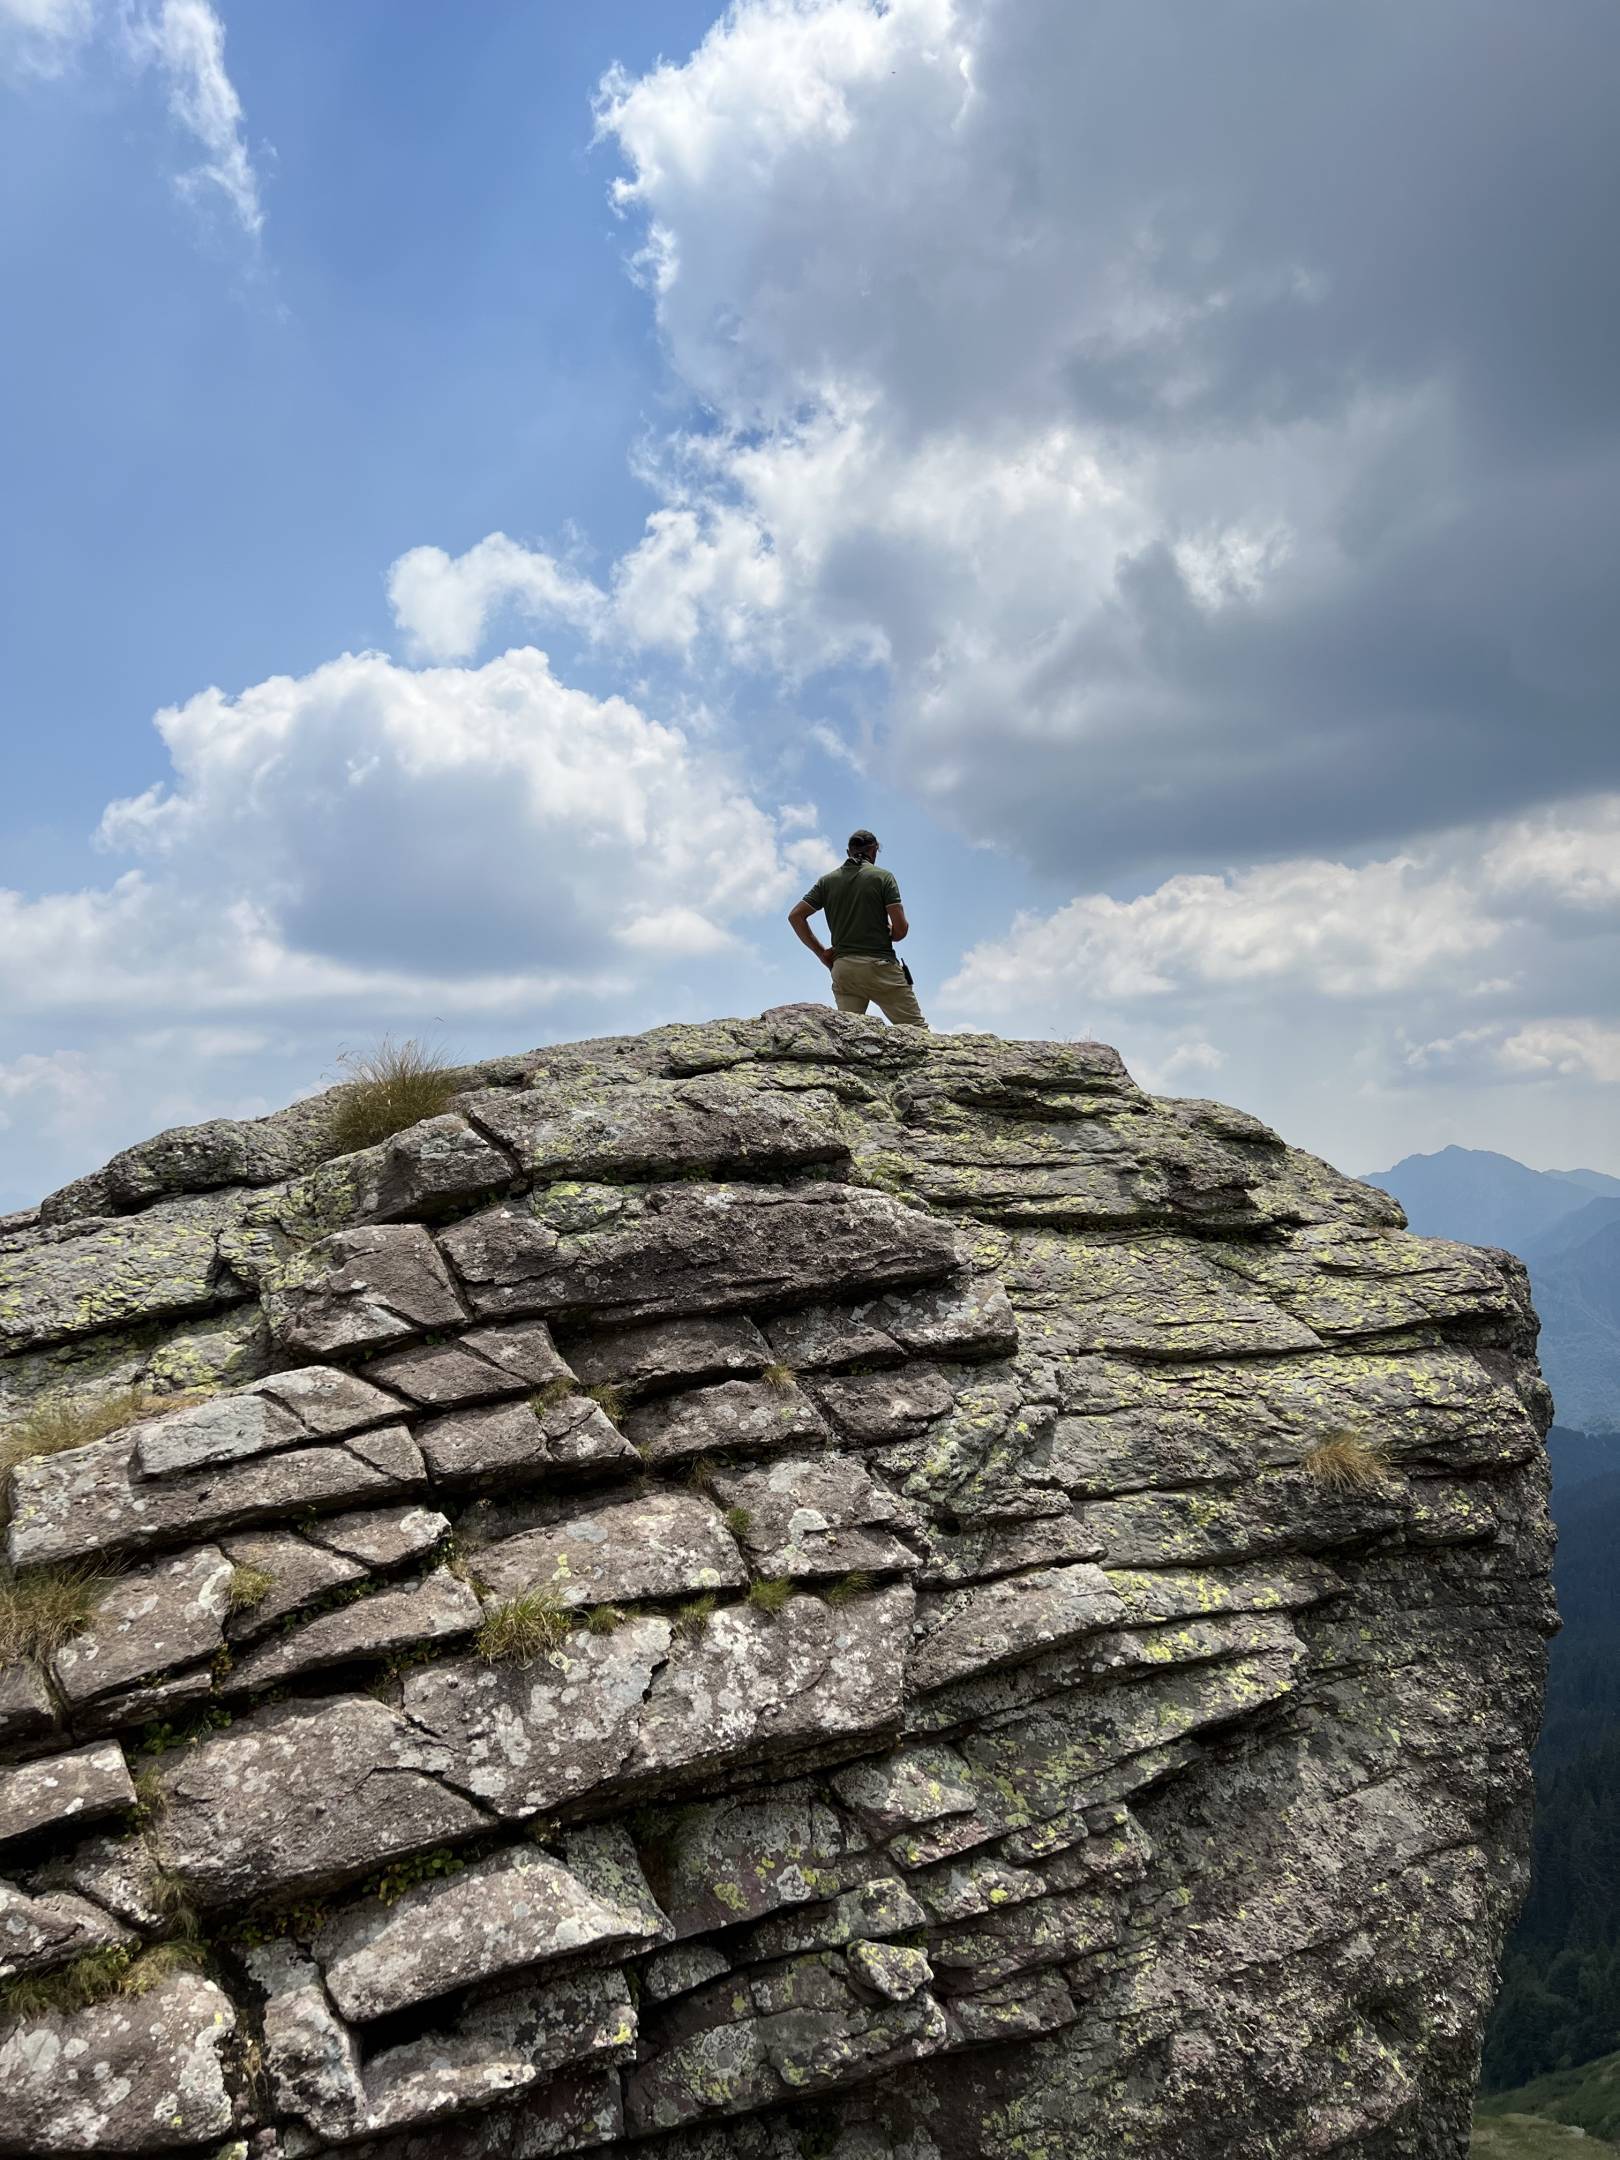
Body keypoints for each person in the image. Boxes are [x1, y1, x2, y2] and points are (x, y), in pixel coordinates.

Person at [788, 828, 929, 1028]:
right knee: (918, 1032)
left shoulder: (827, 881)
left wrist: (822, 953)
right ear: (874, 850)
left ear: (849, 852)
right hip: (881, 968)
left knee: (849, 1037)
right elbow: (900, 930)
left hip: (844, 970)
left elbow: (795, 916)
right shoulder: (883, 877)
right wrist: (891, 931)